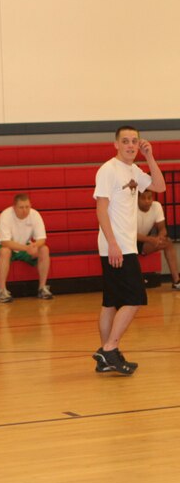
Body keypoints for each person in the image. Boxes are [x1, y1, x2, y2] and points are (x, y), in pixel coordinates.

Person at [92, 126, 165, 376]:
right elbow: (101, 209)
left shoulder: (133, 169)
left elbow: (160, 186)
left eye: (135, 141)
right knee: (135, 298)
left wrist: (150, 157)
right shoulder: (108, 170)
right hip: (118, 246)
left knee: (111, 302)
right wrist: (113, 243)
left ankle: (104, 356)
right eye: (125, 141)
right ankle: (110, 348)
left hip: (124, 245)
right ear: (116, 145)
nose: (131, 145)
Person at [0, 193, 53, 303]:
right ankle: (2, 291)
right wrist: (27, 248)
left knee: (44, 249)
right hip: (2, 246)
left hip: (24, 246)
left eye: (27, 207)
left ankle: (42, 288)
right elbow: (5, 242)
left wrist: (35, 246)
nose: (25, 210)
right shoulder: (6, 215)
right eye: (21, 207)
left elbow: (42, 239)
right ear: (14, 207)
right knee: (5, 252)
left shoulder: (35, 215)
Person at [137, 189, 180, 290]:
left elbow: (162, 228)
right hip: (127, 243)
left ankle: (176, 281)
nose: (147, 201)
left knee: (168, 243)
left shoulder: (156, 206)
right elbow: (129, 234)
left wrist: (160, 236)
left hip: (144, 243)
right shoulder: (130, 208)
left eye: (149, 198)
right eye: (143, 198)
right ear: (137, 199)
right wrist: (150, 239)